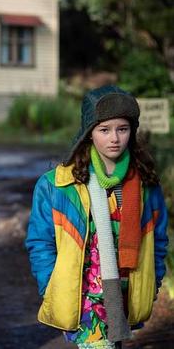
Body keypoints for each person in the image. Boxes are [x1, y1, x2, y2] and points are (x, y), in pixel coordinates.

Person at [25, 85, 169, 348]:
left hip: (128, 296)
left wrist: (152, 284)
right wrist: (52, 286)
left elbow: (158, 242)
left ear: (131, 132)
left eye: (122, 129)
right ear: (88, 133)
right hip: (82, 299)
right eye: (104, 130)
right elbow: (40, 242)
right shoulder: (56, 185)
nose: (114, 138)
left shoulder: (147, 184)